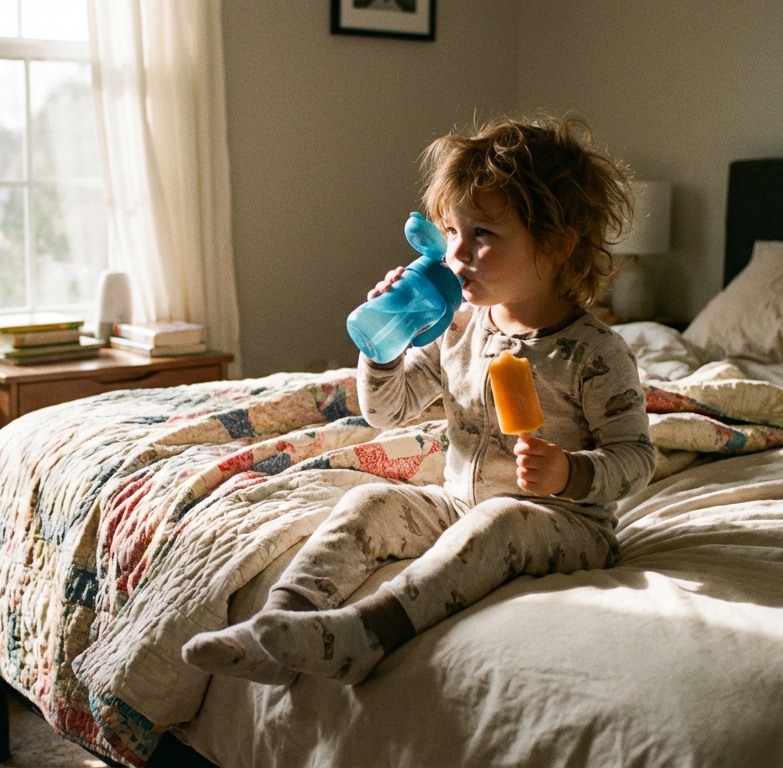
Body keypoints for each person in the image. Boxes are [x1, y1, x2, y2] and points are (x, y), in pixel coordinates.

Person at [183, 113, 655, 686]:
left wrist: (570, 473)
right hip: (460, 501)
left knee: (501, 521)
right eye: (452, 232)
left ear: (555, 245)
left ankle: (365, 635)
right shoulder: (457, 328)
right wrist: (386, 345)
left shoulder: (596, 353)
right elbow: (387, 411)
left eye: (483, 234)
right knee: (371, 503)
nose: (457, 255)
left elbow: (635, 459)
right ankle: (280, 627)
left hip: (568, 525)